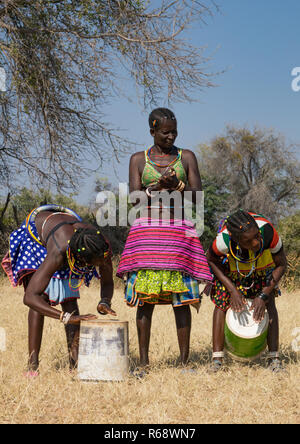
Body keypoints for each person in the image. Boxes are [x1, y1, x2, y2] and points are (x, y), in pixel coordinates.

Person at [117, 108, 212, 369]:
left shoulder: (187, 157)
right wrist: (158, 187)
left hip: (178, 232)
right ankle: (144, 363)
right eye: (165, 132)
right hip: (147, 233)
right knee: (145, 300)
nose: (171, 136)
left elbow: (198, 197)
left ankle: (184, 362)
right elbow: (134, 200)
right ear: (152, 131)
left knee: (180, 298)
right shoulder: (138, 159)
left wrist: (177, 187)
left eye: (174, 132)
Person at [2, 204, 116, 375]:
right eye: (94, 264)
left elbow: (107, 281)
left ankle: (75, 363)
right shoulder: (59, 251)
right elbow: (30, 297)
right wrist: (66, 317)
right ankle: (32, 365)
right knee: (42, 299)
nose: (100, 266)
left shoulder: (101, 248)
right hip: (36, 239)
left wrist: (104, 301)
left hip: (66, 239)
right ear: (81, 259)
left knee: (69, 298)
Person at [206, 209, 287, 372]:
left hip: (262, 270)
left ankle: (274, 359)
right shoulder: (224, 240)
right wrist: (232, 290)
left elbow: (281, 264)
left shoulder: (268, 232)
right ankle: (217, 360)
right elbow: (210, 259)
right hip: (231, 272)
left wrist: (263, 295)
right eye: (248, 241)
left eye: (257, 236)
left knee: (269, 304)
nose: (256, 243)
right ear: (236, 240)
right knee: (221, 305)